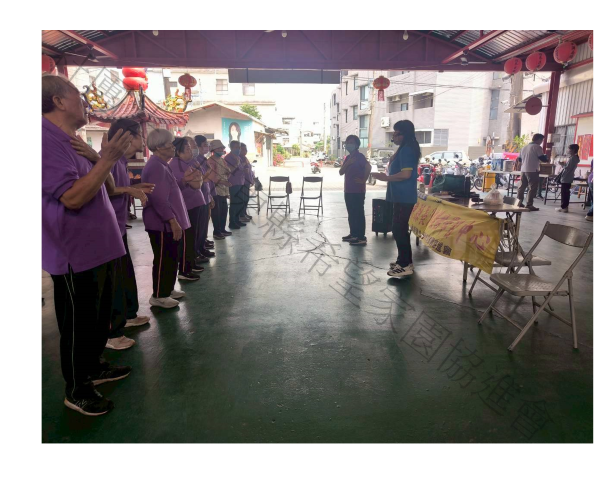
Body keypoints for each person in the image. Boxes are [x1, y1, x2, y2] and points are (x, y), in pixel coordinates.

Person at [41, 73, 133, 416]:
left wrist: (99, 158)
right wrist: (107, 158)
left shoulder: (71, 139)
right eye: (78, 96)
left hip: (101, 247)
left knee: (97, 319)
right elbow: (73, 198)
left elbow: (106, 186)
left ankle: (93, 367)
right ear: (58, 101)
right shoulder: (45, 139)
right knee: (78, 324)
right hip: (75, 252)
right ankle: (77, 389)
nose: (85, 102)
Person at [70, 118, 155, 351]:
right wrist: (129, 189)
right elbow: (102, 189)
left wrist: (134, 188)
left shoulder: (120, 161)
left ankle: (127, 316)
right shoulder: (104, 159)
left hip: (118, 227)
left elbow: (114, 187)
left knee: (124, 277)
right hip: (106, 230)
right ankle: (111, 332)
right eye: (140, 136)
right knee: (111, 285)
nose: (142, 141)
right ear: (127, 136)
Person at [142, 129, 192, 309]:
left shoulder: (162, 164)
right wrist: (172, 220)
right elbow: (158, 199)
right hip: (161, 224)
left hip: (168, 222)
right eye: (169, 143)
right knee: (164, 258)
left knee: (171, 257)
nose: (173, 147)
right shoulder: (156, 166)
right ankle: (159, 295)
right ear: (158, 147)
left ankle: (168, 289)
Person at [372, 120, 420, 278]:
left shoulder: (407, 150)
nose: (394, 136)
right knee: (400, 229)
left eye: (397, 133)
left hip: (404, 197)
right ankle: (404, 261)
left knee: (399, 229)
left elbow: (406, 174)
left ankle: (405, 265)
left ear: (405, 134)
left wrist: (385, 178)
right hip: (400, 196)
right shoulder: (404, 149)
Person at [170, 138, 205, 280]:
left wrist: (196, 178)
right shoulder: (175, 165)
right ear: (179, 152)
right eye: (188, 148)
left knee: (193, 236)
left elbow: (200, 178)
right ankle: (184, 269)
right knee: (187, 238)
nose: (191, 150)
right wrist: (194, 178)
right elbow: (193, 182)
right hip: (186, 205)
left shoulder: (188, 163)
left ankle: (191, 263)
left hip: (194, 203)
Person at [339, 135, 370, 246]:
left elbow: (368, 167)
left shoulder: (359, 156)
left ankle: (361, 237)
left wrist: (364, 180)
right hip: (348, 189)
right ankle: (353, 234)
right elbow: (341, 172)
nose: (348, 144)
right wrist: (348, 163)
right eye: (347, 142)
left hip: (358, 190)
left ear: (356, 145)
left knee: (358, 213)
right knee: (351, 213)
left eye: (351, 142)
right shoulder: (348, 158)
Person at [194, 135, 217, 254]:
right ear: (197, 147)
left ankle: (202, 244)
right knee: (199, 225)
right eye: (204, 145)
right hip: (200, 196)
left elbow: (207, 180)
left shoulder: (203, 159)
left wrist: (210, 195)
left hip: (206, 194)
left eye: (207, 145)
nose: (207, 147)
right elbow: (203, 178)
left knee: (204, 223)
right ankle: (199, 248)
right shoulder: (196, 160)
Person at [208, 140, 233, 239]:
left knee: (224, 210)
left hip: (223, 189)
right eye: (219, 148)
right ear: (213, 150)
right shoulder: (210, 161)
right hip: (215, 189)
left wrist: (228, 173)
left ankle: (222, 229)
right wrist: (222, 182)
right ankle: (217, 231)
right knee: (216, 212)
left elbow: (227, 171)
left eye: (222, 148)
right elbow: (211, 177)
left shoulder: (222, 160)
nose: (222, 150)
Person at [517, 134, 549, 211]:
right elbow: (542, 159)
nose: (541, 142)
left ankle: (519, 202)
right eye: (542, 140)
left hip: (523, 170)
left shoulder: (524, 147)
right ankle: (529, 205)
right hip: (532, 170)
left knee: (522, 187)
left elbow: (520, 159)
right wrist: (547, 158)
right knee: (532, 188)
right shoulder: (537, 147)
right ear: (539, 139)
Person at [225, 140, 247, 229]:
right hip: (233, 183)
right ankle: (232, 222)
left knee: (239, 203)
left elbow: (240, 168)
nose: (238, 149)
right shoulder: (228, 158)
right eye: (236, 147)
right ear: (231, 148)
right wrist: (237, 164)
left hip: (240, 182)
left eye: (239, 147)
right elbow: (229, 170)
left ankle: (237, 220)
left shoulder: (238, 157)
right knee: (234, 203)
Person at [556, 144, 581, 213]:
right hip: (567, 177)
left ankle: (564, 207)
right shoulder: (573, 158)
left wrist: (562, 164)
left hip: (566, 178)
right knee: (565, 193)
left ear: (573, 150)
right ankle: (564, 207)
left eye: (569, 149)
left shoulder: (573, 158)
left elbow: (568, 168)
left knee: (564, 193)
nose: (568, 150)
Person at [240, 143, 254, 221]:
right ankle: (241, 215)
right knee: (242, 199)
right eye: (243, 149)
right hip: (242, 182)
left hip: (247, 181)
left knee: (246, 198)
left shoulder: (245, 158)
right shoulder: (239, 158)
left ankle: (244, 213)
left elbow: (249, 169)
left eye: (245, 149)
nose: (245, 151)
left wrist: (252, 178)